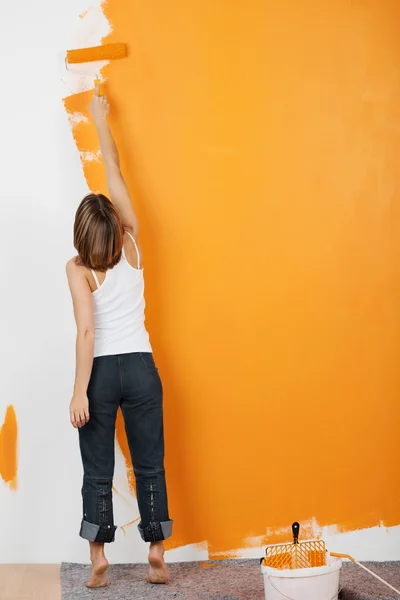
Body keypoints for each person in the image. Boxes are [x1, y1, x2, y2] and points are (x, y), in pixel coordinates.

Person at [66, 85, 172, 588]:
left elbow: (87, 330)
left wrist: (79, 390)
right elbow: (115, 171)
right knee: (150, 463)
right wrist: (100, 117)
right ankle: (156, 548)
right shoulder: (131, 242)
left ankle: (98, 559)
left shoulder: (78, 268)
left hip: (103, 372)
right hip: (143, 369)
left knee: (97, 470)